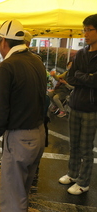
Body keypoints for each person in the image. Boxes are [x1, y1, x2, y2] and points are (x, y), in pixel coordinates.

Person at [0, 20, 47, 211]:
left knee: (12, 198)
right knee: (22, 193)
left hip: (20, 139)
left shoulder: (7, 66)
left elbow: (1, 108)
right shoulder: (36, 61)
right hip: (39, 134)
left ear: (4, 41)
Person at [58, 14, 97, 195]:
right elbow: (71, 77)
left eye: (89, 30)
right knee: (73, 144)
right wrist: (85, 77)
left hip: (91, 107)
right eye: (85, 30)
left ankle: (84, 181)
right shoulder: (81, 53)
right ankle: (73, 174)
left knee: (86, 147)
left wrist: (83, 76)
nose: (85, 34)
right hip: (75, 104)